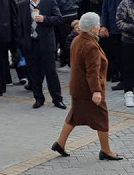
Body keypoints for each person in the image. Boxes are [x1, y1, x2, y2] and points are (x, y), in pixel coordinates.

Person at [51, 13, 122, 160]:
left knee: (74, 116)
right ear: (93, 28)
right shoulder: (91, 46)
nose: (99, 27)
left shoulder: (77, 40)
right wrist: (96, 91)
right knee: (102, 118)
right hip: (88, 90)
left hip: (78, 87)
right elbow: (92, 71)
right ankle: (106, 150)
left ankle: (60, 143)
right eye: (98, 25)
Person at [17, 0, 66, 109]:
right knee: (34, 73)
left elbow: (59, 18)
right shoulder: (22, 5)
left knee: (51, 72)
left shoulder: (49, 2)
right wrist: (22, 41)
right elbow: (19, 25)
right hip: (30, 43)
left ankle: (57, 98)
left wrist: (45, 19)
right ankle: (38, 98)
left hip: (46, 42)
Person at [53, 0, 84, 66]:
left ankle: (64, 60)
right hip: (74, 11)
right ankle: (73, 59)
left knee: (63, 38)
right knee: (73, 36)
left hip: (64, 13)